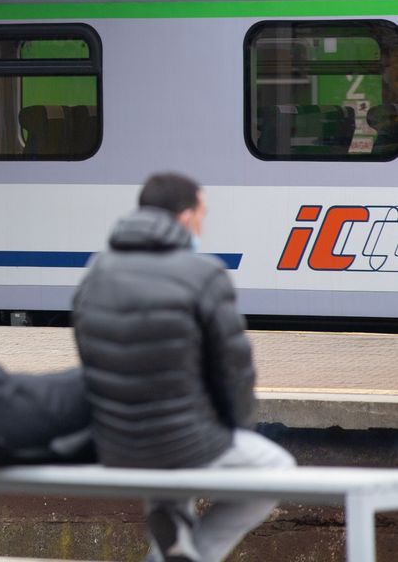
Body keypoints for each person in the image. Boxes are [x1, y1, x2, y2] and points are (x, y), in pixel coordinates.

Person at [72, 172, 294, 562]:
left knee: (172, 489)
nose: (203, 224)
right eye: (202, 213)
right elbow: (234, 372)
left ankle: (175, 539)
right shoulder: (203, 274)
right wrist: (233, 428)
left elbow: (90, 356)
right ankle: (197, 555)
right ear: (186, 216)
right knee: (275, 468)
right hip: (182, 439)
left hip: (113, 438)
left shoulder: (97, 271)